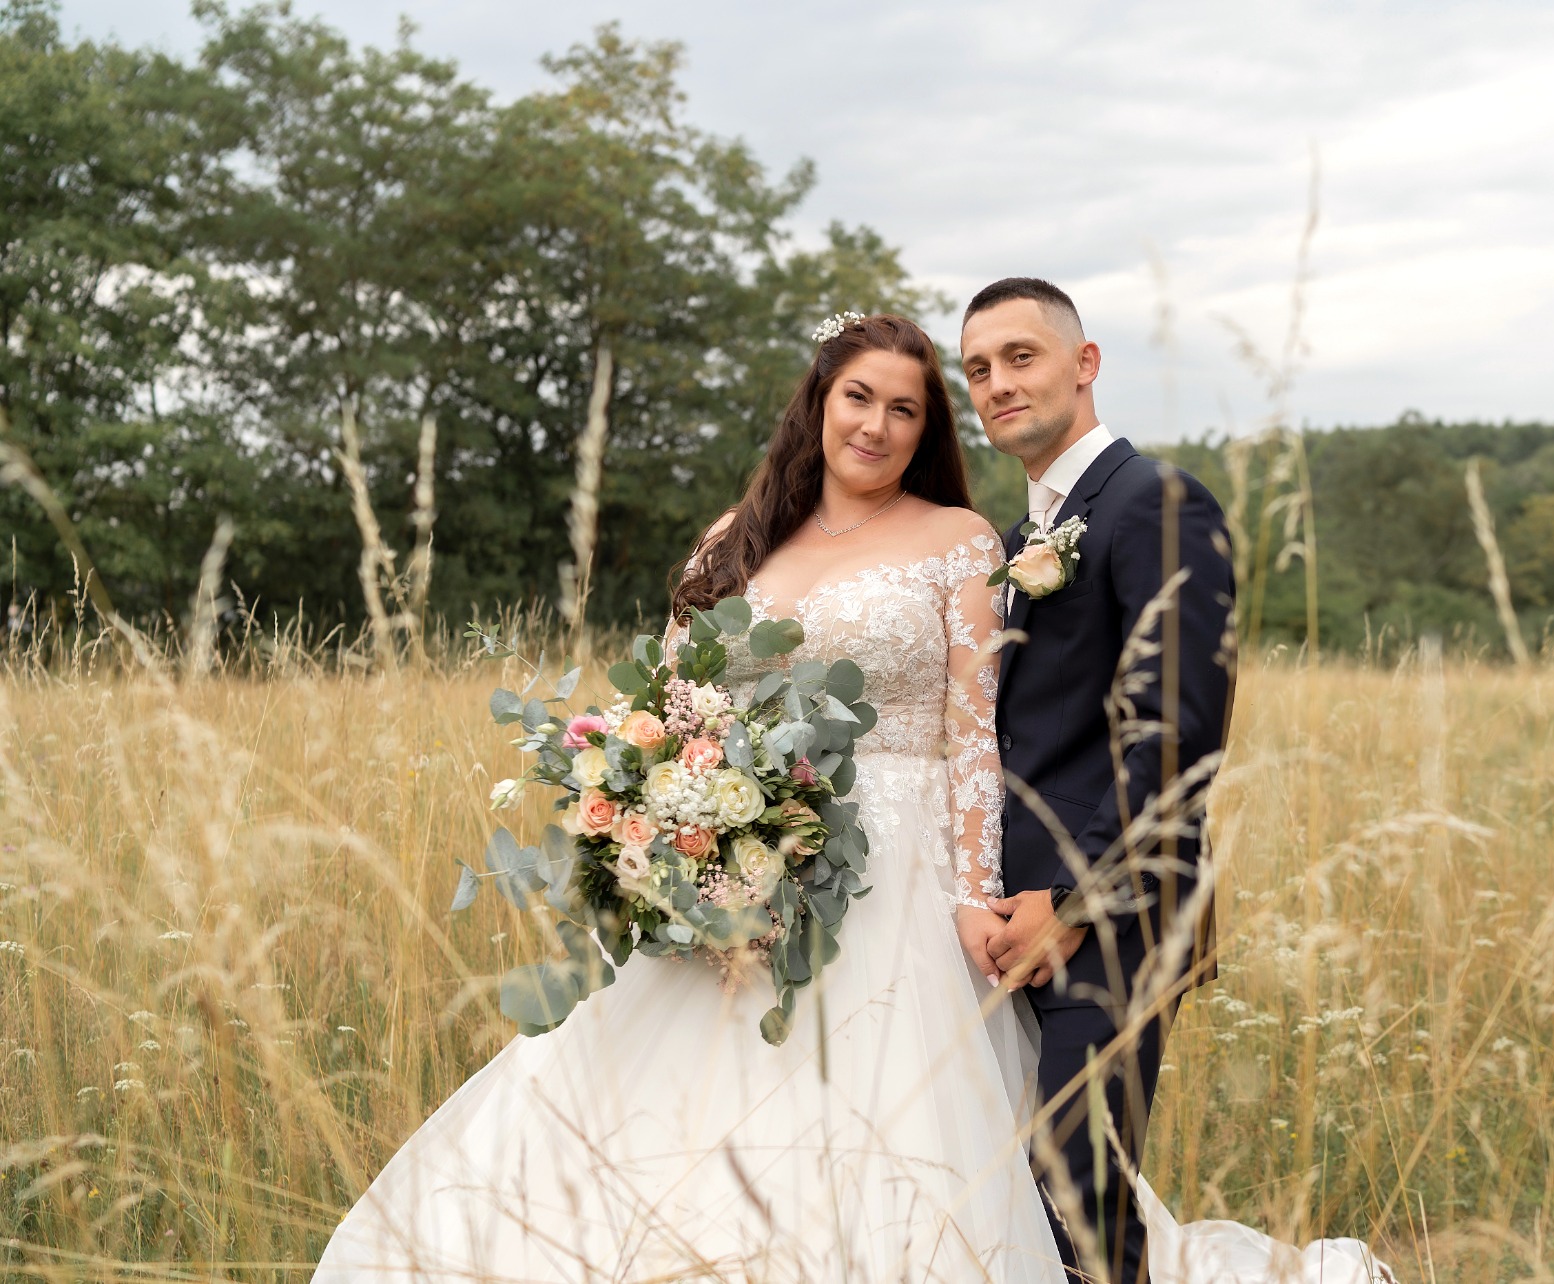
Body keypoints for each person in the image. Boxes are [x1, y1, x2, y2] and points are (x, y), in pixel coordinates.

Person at [316, 310, 1391, 1284]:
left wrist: (972, 896)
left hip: (897, 873)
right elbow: (672, 710)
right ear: (819, 403)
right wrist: (664, 824)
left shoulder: (961, 542)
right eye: (858, 397)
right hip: (735, 870)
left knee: (927, 1140)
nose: (876, 424)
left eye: (906, 408)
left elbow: (977, 741)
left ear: (928, 429)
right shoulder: (731, 541)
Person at [960, 277, 1234, 1283]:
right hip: (1010, 924)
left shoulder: (1155, 501)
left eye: (1019, 356)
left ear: (1085, 363)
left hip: (1110, 923)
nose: (997, 383)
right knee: (1018, 1205)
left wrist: (1073, 903)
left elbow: (1179, 738)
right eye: (977, 369)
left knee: (1077, 1204)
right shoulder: (1019, 537)